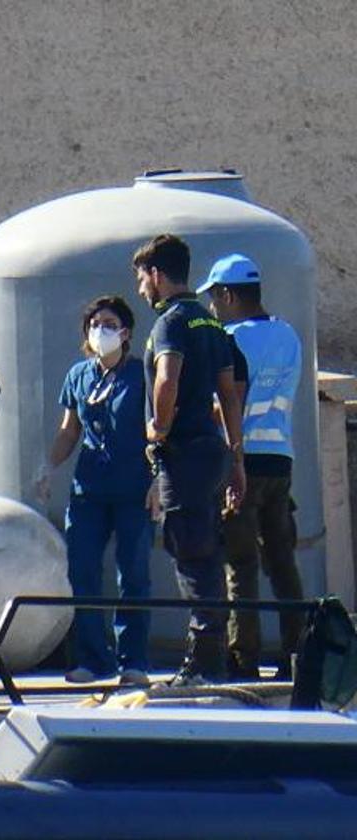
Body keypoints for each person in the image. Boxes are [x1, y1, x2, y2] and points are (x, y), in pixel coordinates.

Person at [134, 234, 246, 686]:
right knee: (207, 552)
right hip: (213, 453)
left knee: (191, 554)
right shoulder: (210, 323)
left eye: (142, 279)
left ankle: (203, 664)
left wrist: (157, 428)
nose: (142, 289)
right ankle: (211, 655)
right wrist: (236, 458)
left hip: (183, 456)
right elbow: (230, 395)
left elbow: (166, 379)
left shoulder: (171, 322)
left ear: (157, 275)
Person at [198, 253, 305, 680]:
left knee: (240, 562)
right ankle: (298, 654)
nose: (212, 307)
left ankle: (245, 659)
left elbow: (228, 403)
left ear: (227, 294)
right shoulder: (289, 334)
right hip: (280, 458)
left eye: (214, 297)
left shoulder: (231, 339)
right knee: (281, 560)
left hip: (241, 459)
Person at [37, 296, 153, 686]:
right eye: (94, 324)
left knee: (132, 572)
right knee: (82, 569)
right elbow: (70, 429)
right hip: (89, 489)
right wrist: (48, 467)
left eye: (109, 323)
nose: (100, 330)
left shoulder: (143, 375)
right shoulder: (79, 375)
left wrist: (158, 480)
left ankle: (133, 659)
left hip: (134, 486)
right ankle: (92, 657)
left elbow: (157, 427)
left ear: (126, 332)